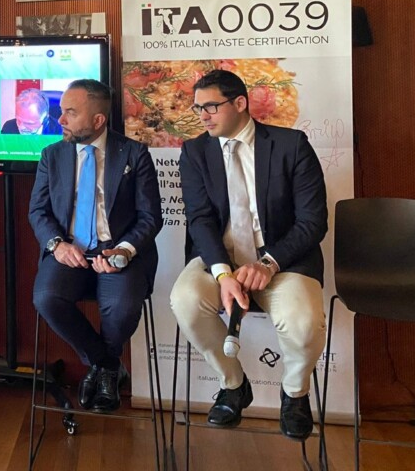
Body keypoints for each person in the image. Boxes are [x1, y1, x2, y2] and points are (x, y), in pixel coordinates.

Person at [170, 69, 327, 440]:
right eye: (197, 108)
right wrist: (223, 274)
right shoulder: (195, 152)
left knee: (303, 322)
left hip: (283, 261)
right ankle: (233, 384)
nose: (203, 116)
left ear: (240, 103)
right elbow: (200, 219)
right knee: (185, 300)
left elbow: (312, 221)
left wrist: (268, 264)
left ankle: (294, 394)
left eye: (211, 106)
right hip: (220, 259)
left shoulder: (291, 145)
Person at [29, 79, 162, 413]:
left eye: (70, 113)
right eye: (61, 111)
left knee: (122, 306)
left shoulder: (134, 154)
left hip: (117, 251)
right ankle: (107, 365)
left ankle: (103, 369)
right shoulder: (52, 155)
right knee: (47, 298)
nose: (60, 120)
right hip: (70, 250)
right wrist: (57, 245)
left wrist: (124, 251)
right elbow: (38, 211)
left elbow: (150, 217)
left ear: (98, 120)